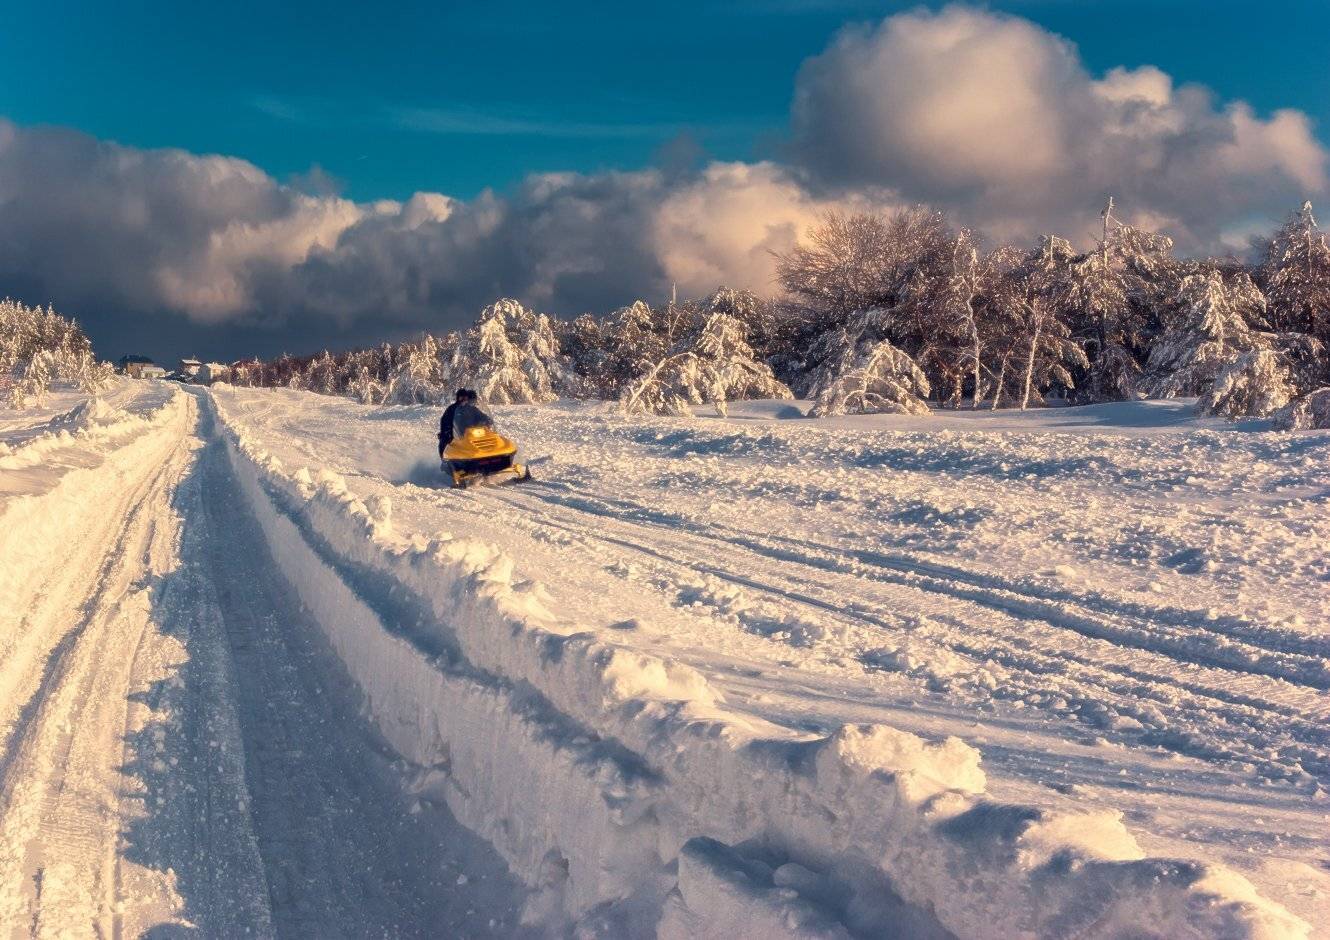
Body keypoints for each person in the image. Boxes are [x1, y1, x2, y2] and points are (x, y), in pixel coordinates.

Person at [438, 389, 467, 460]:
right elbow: (444, 420)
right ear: (458, 398)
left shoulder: (471, 408)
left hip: (470, 432)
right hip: (455, 433)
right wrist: (446, 431)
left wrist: (486, 419)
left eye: (465, 398)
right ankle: (445, 459)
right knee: (444, 440)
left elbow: (479, 415)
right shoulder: (452, 409)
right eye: (461, 397)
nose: (463, 400)